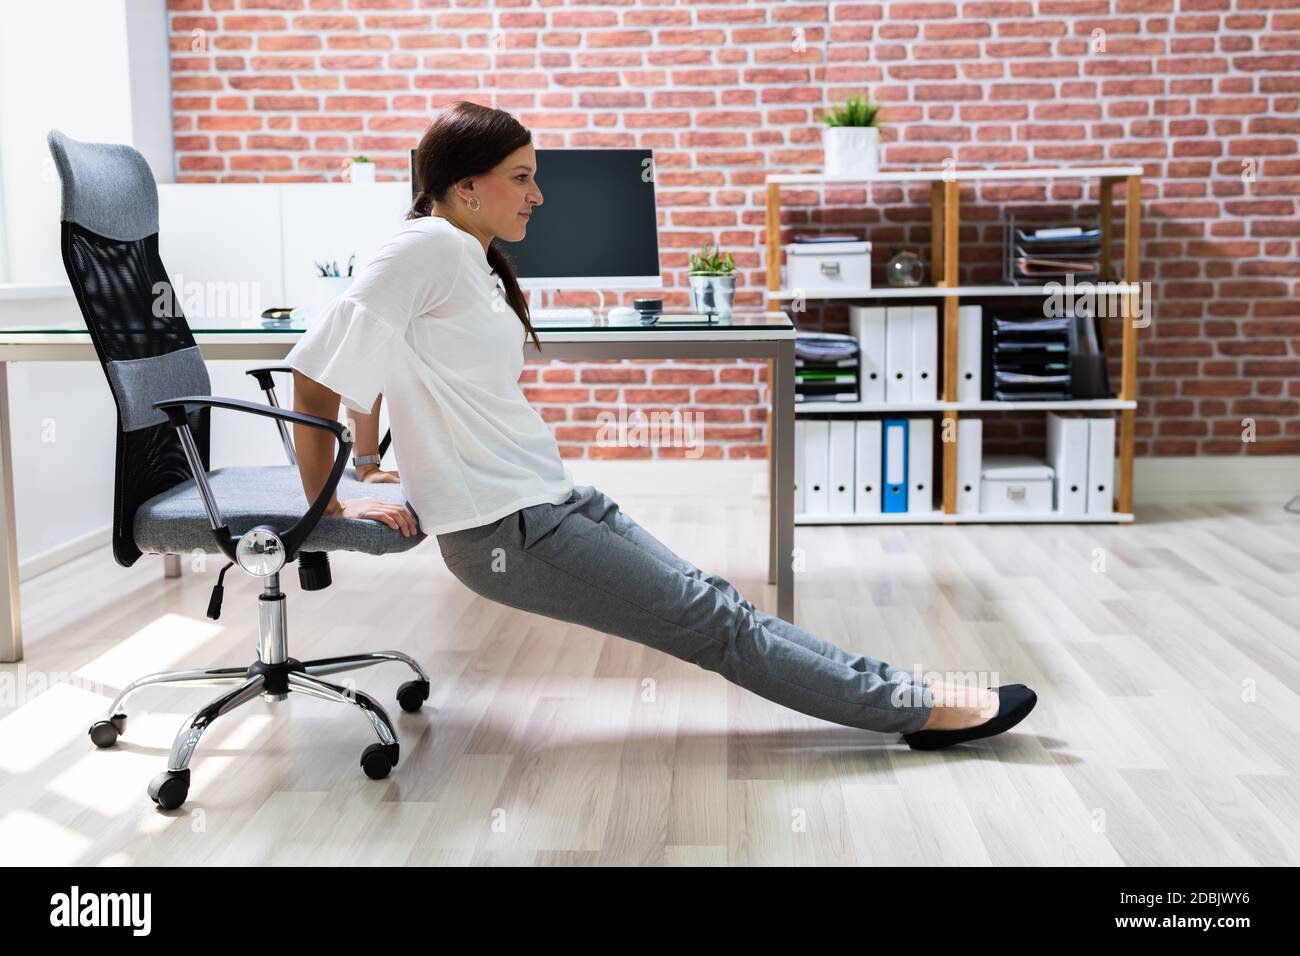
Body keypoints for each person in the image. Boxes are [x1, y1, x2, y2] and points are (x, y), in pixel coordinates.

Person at [284, 101, 1037, 749]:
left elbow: (373, 360)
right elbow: (317, 373)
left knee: (721, 605)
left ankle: (900, 689)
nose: (538, 196)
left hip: (550, 499)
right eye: (521, 177)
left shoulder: (466, 256)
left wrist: (377, 455)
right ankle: (917, 709)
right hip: (504, 530)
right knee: (716, 626)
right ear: (465, 186)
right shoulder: (424, 247)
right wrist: (336, 502)